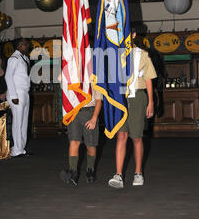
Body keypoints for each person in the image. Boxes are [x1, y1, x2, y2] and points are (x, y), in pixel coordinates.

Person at [108, 30, 157, 189]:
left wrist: (150, 102)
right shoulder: (115, 54)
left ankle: (138, 173)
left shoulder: (142, 55)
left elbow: (149, 80)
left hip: (137, 98)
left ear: (134, 35)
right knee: (121, 135)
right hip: (121, 99)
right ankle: (118, 174)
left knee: (136, 137)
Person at [60, 87, 103, 186]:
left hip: (89, 111)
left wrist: (94, 118)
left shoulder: (94, 75)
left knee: (91, 145)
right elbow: (63, 81)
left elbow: (99, 100)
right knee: (74, 141)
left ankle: (90, 169)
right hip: (74, 111)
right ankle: (73, 172)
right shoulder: (71, 73)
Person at [5, 38, 32, 157]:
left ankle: (21, 148)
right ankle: (16, 149)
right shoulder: (13, 59)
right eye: (26, 45)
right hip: (16, 92)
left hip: (25, 92)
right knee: (18, 121)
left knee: (24, 121)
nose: (28, 46)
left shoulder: (25, 58)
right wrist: (14, 95)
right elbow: (8, 77)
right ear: (20, 46)